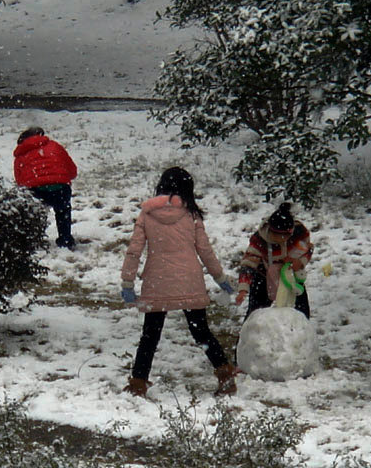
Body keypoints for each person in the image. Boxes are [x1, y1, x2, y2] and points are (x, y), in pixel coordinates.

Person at [120, 167, 237, 397]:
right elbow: (205, 250)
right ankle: (225, 376)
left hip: (158, 282)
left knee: (150, 335)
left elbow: (134, 251)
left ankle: (138, 385)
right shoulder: (191, 215)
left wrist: (127, 282)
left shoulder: (147, 213)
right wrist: (220, 278)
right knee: (201, 332)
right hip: (189, 280)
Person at [235, 202, 313, 320]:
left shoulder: (299, 233)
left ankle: (297, 335)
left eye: (284, 237)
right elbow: (248, 264)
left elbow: (308, 249)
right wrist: (243, 288)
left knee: (301, 314)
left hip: (291, 277)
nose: (280, 240)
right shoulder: (259, 239)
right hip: (263, 278)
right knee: (255, 316)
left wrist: (300, 262)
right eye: (276, 237)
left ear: (290, 233)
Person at [13, 127, 78, 249]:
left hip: (35, 189)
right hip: (60, 186)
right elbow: (72, 170)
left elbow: (19, 180)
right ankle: (65, 239)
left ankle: (36, 239)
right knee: (63, 210)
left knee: (35, 213)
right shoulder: (55, 146)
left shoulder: (21, 154)